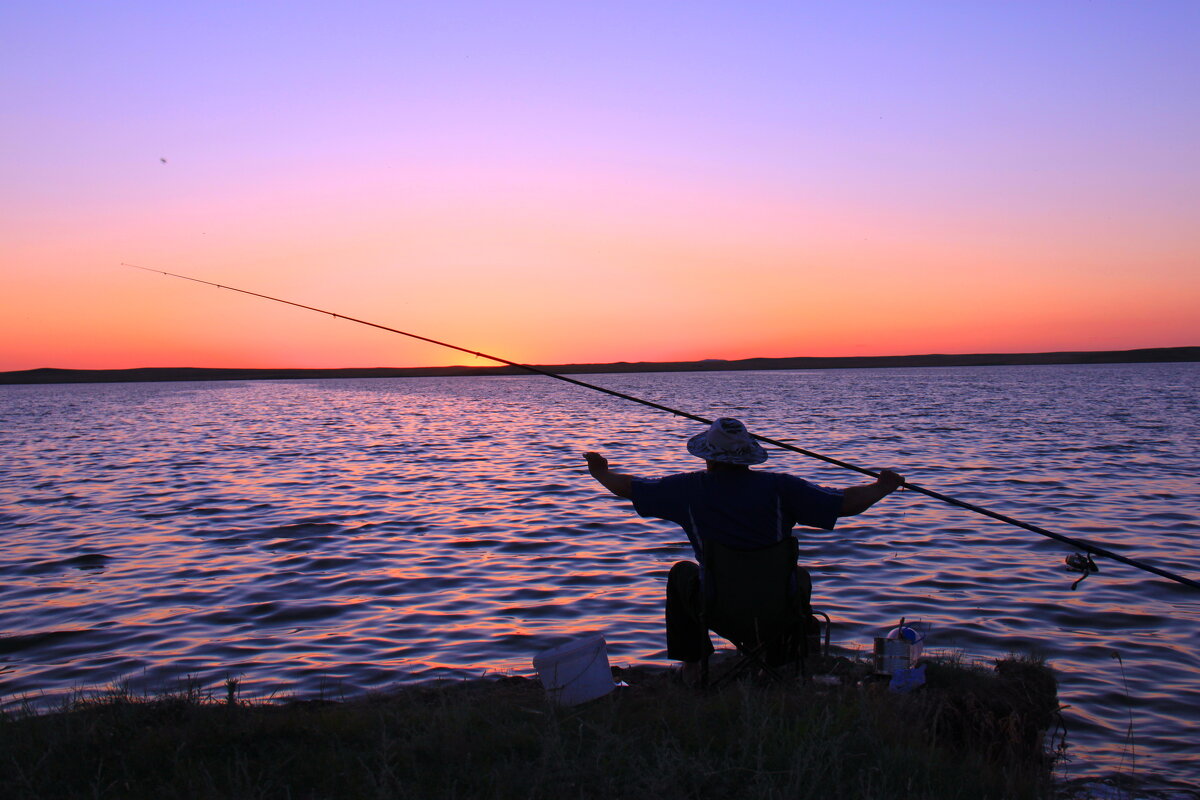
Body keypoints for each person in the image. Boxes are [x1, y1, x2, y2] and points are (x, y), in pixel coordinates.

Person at [584, 417, 904, 683]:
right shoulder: (782, 487)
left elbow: (629, 488)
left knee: (682, 573)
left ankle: (693, 668)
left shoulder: (686, 489)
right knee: (799, 577)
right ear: (748, 456)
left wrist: (600, 472)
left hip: (716, 608)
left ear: (708, 456)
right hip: (777, 612)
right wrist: (883, 487)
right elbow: (845, 504)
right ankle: (780, 664)